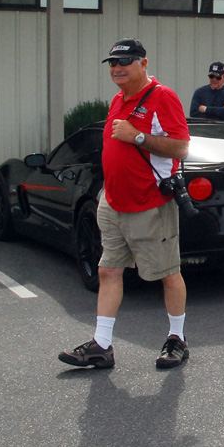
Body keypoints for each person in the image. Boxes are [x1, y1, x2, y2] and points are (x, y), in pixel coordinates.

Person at [60, 38, 192, 371]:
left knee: (167, 274)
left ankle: (177, 339)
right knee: (108, 271)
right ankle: (101, 346)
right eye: (113, 63)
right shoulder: (118, 99)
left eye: (126, 61)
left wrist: (138, 136)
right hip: (114, 202)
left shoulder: (162, 96)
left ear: (143, 64)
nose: (117, 68)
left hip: (150, 204)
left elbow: (180, 148)